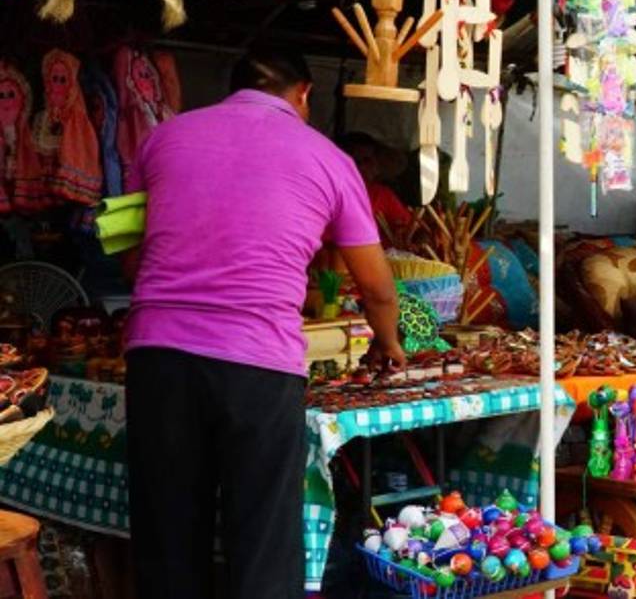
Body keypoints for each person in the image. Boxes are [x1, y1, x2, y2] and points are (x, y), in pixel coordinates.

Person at [123, 47, 406, 599]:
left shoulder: (163, 137)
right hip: (258, 365)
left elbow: (130, 258)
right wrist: (388, 343)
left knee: (168, 533)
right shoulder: (328, 158)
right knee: (262, 537)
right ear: (304, 93)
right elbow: (376, 287)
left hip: (158, 357)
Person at [341, 131, 416, 241]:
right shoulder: (333, 194)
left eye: (367, 160)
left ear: (375, 164)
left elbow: (410, 228)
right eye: (355, 161)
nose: (361, 167)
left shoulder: (383, 195)